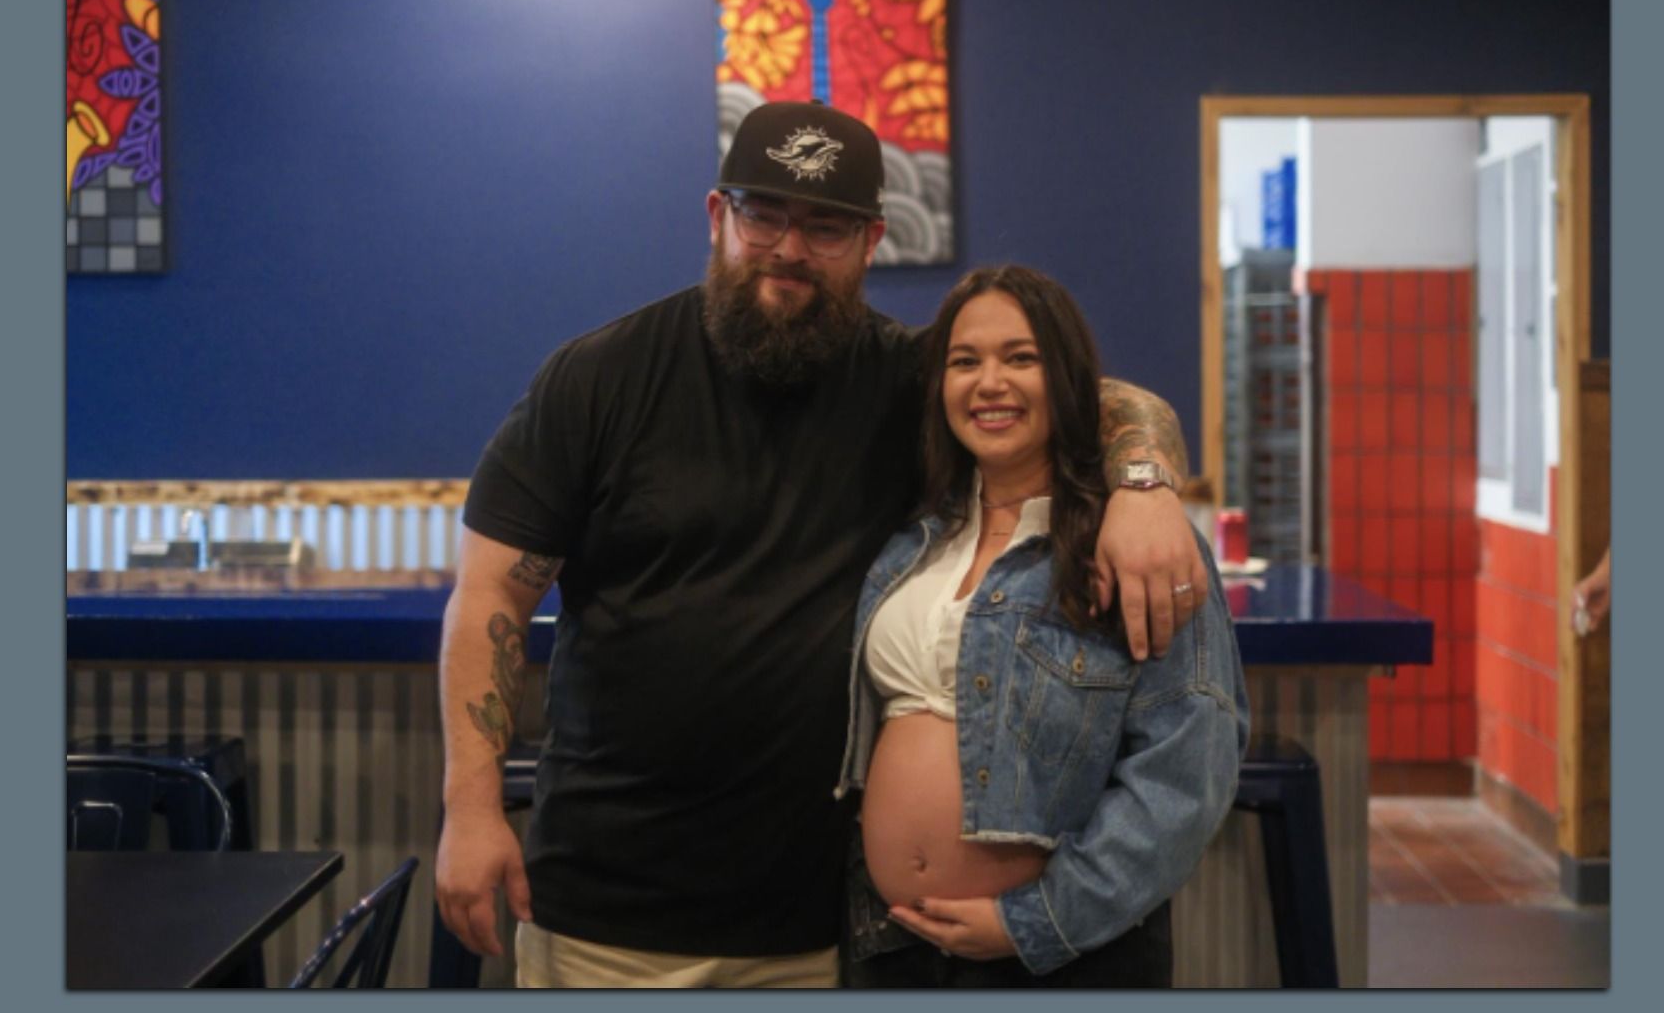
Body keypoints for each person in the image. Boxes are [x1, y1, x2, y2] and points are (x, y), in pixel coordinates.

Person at [434, 100, 1208, 988]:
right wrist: (471, 809)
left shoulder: (909, 385)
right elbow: (491, 595)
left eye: (826, 227)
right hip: (605, 913)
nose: (789, 249)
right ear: (718, 215)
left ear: (871, 240)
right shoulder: (598, 379)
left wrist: (1145, 486)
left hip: (819, 931)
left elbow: (1082, 393)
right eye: (763, 215)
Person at [837, 265, 1249, 986]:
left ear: (1066, 377)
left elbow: (1188, 770)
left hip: (1061, 957)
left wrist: (1039, 920)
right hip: (891, 945)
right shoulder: (912, 541)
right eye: (965, 362)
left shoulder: (1135, 545)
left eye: (1020, 358)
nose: (989, 383)